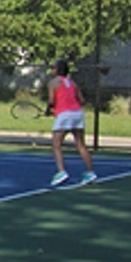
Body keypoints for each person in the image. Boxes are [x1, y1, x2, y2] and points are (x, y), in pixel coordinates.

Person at [46, 59, 97, 187]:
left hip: (65, 115)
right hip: (78, 113)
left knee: (56, 144)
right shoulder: (72, 83)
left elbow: (52, 101)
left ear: (57, 70)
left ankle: (61, 172)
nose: (52, 70)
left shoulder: (53, 82)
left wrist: (49, 110)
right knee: (81, 145)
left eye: (54, 67)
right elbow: (82, 100)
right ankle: (90, 172)